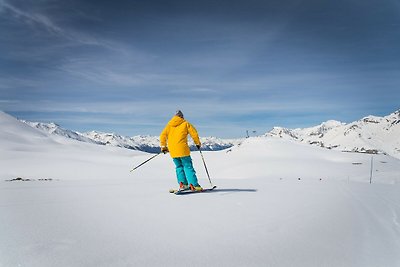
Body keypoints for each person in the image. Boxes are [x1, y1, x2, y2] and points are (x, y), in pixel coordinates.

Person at [160, 110, 203, 191]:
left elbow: (162, 135)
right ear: (181, 116)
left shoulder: (169, 125)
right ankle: (194, 185)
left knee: (179, 167)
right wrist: (197, 143)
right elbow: (194, 133)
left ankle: (183, 184)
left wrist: (163, 147)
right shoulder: (185, 123)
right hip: (182, 149)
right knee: (188, 166)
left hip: (173, 151)